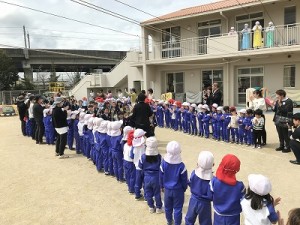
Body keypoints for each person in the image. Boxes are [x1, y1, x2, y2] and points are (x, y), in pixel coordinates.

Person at [209, 154, 245, 225]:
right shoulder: (240, 186)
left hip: (219, 214)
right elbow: (243, 201)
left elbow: (210, 196)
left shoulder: (214, 182)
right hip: (234, 216)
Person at [160, 141, 188, 225]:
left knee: (168, 207)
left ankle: (169, 221)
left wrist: (162, 186)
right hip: (178, 190)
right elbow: (184, 180)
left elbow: (161, 176)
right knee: (178, 208)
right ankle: (177, 223)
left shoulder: (163, 164)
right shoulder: (181, 166)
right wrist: (184, 188)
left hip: (167, 189)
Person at [185, 151, 214, 225]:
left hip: (193, 199)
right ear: (213, 165)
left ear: (197, 163)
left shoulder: (194, 173)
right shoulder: (212, 180)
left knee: (189, 219)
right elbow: (211, 196)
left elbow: (190, 183)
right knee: (205, 222)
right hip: (205, 203)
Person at [138, 137, 163, 214]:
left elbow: (140, 166)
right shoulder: (159, 157)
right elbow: (161, 168)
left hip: (147, 177)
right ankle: (159, 207)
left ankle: (151, 207)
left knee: (148, 193)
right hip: (156, 177)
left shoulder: (143, 156)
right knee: (157, 193)